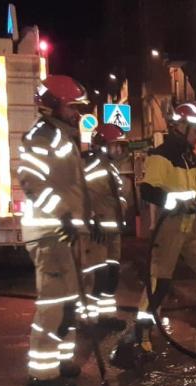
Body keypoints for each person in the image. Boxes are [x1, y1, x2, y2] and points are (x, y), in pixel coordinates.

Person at [111, 102, 196, 368]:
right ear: (180, 127)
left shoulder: (190, 158)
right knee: (160, 283)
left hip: (190, 228)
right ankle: (141, 332)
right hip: (169, 229)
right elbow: (149, 190)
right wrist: (175, 203)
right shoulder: (161, 156)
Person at [16, 76, 97, 386]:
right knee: (52, 305)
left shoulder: (62, 136)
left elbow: (70, 186)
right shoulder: (42, 137)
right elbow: (32, 181)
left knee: (68, 303)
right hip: (49, 232)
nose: (77, 113)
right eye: (72, 106)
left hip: (63, 232)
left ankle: (62, 361)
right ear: (52, 105)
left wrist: (81, 219)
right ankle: (42, 373)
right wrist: (62, 214)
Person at [77, 123, 129, 333]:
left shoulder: (111, 168)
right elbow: (80, 196)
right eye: (115, 145)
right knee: (96, 278)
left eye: (121, 146)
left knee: (111, 276)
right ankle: (88, 321)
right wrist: (90, 220)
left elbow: (117, 198)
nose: (119, 150)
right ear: (102, 146)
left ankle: (106, 316)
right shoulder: (90, 167)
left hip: (112, 232)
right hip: (96, 234)